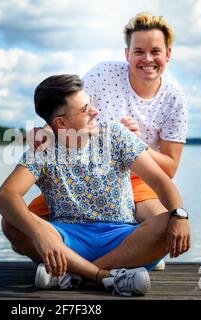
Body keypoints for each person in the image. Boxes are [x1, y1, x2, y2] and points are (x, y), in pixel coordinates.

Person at [0, 74, 191, 296]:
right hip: (67, 242)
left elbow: (160, 181)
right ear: (61, 123)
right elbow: (5, 196)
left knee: (168, 222)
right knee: (10, 222)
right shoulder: (45, 149)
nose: (95, 111)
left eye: (91, 104)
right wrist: (40, 234)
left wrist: (180, 215)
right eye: (85, 109)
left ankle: (74, 275)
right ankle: (109, 277)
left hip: (121, 240)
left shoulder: (115, 135)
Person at [26, 13, 188, 251]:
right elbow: (72, 107)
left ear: (168, 54)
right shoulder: (104, 73)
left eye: (155, 51)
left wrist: (132, 143)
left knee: (166, 228)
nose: (147, 59)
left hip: (137, 178)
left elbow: (170, 168)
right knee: (23, 225)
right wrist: (45, 130)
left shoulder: (175, 100)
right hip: (84, 172)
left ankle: (113, 254)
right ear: (127, 54)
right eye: (138, 51)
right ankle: (103, 257)